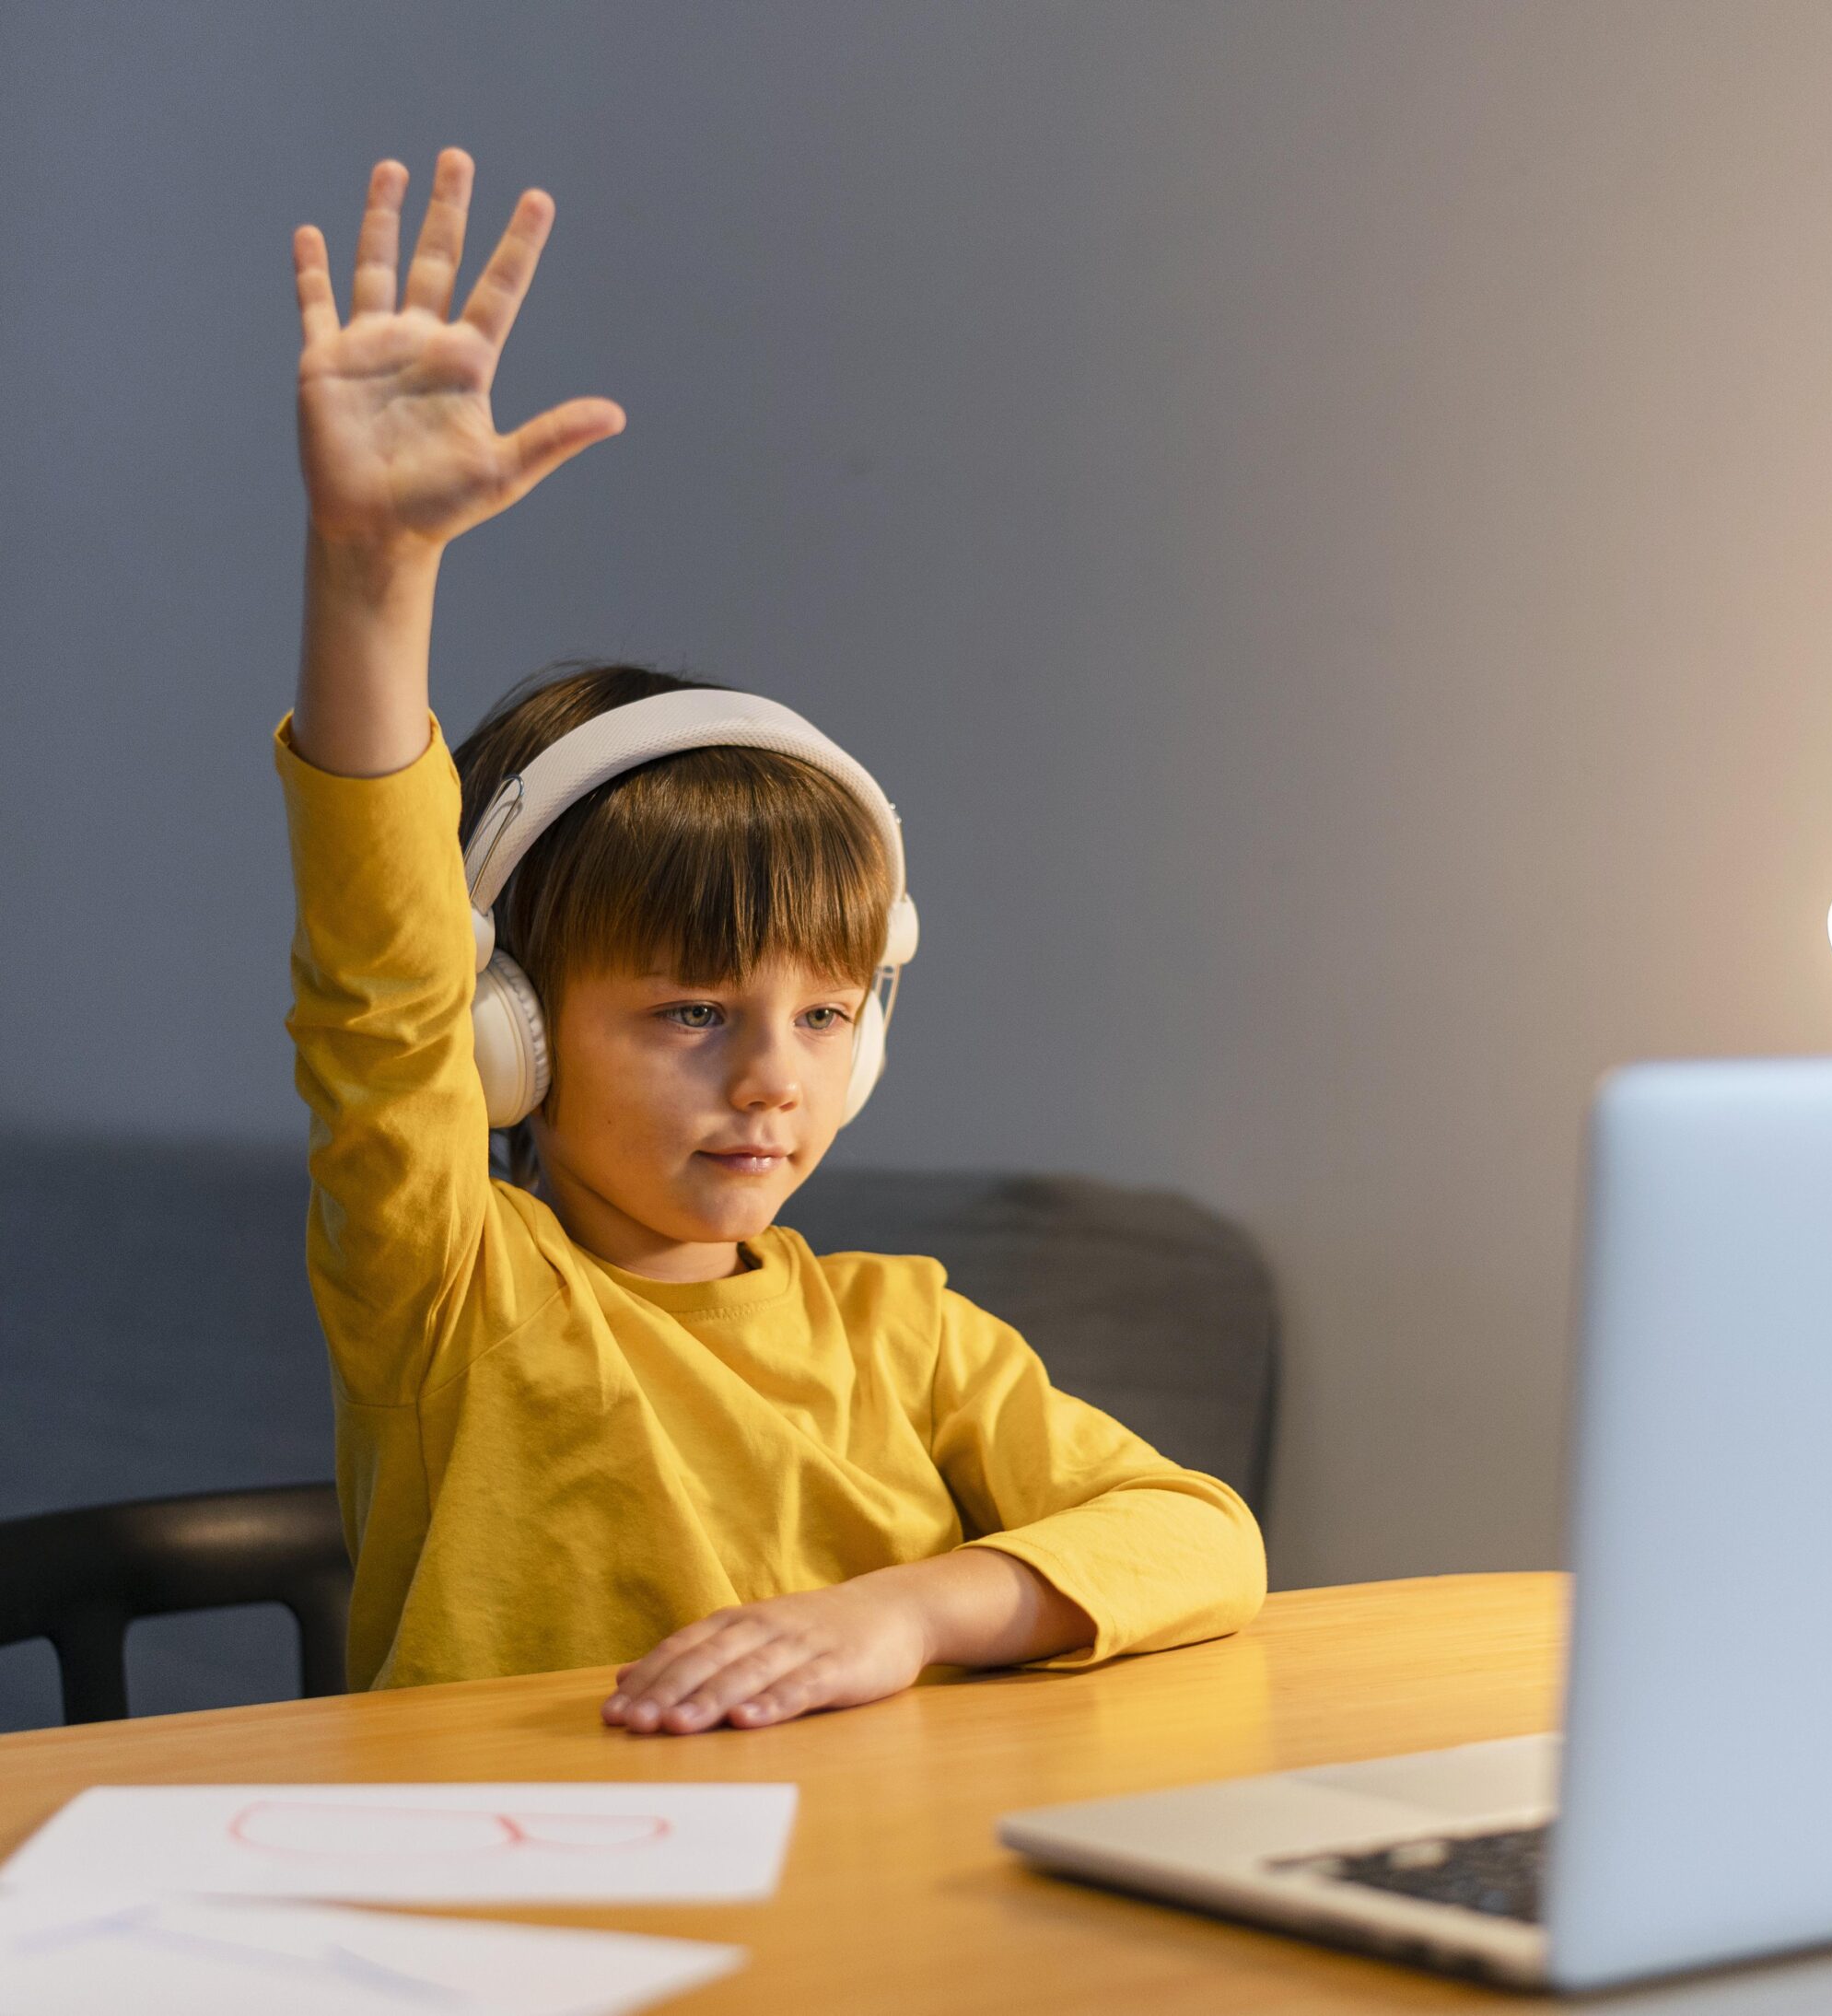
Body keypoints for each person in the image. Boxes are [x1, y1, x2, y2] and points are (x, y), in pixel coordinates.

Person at [280, 146, 1266, 1735]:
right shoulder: (453, 1284)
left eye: (823, 1015)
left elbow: (1202, 1535)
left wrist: (905, 1611)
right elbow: (377, 985)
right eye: (689, 1014)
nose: (769, 1081)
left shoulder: (907, 1334)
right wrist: (373, 575)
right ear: (505, 1029)